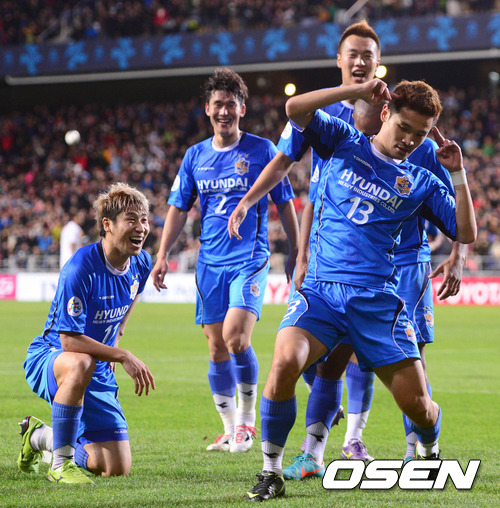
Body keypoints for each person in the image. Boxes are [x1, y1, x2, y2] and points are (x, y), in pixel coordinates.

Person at [233, 78, 476, 501]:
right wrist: (352, 91)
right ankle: (271, 471)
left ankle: (429, 449)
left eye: (419, 134)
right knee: (285, 361)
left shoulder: (420, 181)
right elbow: (294, 108)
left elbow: (465, 232)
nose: (409, 140)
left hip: (376, 302)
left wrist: (457, 172)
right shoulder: (343, 141)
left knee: (419, 407)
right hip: (322, 294)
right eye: (404, 127)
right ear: (385, 114)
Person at [151, 67, 299, 453]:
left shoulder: (263, 150)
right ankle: (229, 428)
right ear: (207, 108)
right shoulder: (194, 156)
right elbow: (178, 208)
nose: (224, 111)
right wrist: (162, 254)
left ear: (242, 109)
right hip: (209, 263)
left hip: (249, 258)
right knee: (216, 347)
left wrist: (296, 251)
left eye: (231, 104)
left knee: (236, 337)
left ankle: (247, 424)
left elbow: (285, 203)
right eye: (217, 104)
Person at [18, 182, 155, 484]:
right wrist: (121, 355)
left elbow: (131, 298)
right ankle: (61, 465)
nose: (141, 227)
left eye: (144, 219)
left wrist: (115, 340)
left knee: (114, 467)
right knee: (81, 362)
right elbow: (69, 340)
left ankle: (40, 436)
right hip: (53, 356)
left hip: (97, 365)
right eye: (131, 219)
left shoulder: (142, 262)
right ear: (107, 224)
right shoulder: (81, 267)